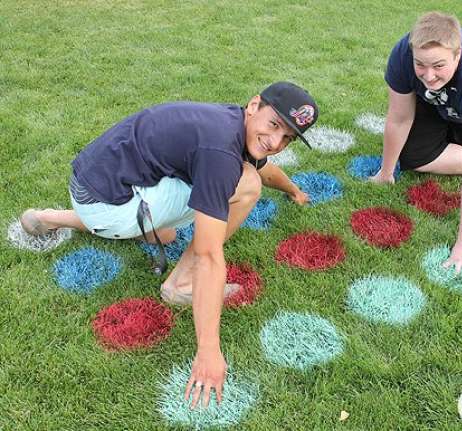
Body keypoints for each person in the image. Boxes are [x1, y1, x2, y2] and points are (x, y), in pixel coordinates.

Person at [20, 81, 319, 408]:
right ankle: (179, 283)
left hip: (94, 189)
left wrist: (293, 190)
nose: (276, 141)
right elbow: (208, 254)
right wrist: (209, 351)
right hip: (107, 201)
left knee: (169, 234)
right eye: (274, 125)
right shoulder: (221, 151)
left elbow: (266, 169)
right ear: (253, 105)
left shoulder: (233, 124)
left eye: (287, 137)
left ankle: (51, 218)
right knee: (245, 184)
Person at [371, 11, 462, 272]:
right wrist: (386, 172)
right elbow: (399, 118)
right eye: (421, 65)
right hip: (434, 101)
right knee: (412, 157)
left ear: (457, 55)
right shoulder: (403, 55)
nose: (428, 75)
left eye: (438, 65)